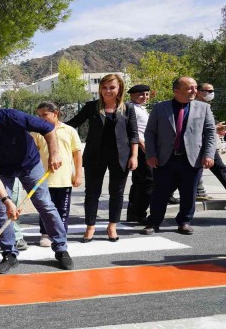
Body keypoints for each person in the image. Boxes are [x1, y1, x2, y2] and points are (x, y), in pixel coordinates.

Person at [0, 109, 74, 273]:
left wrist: (54, 154)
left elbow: (48, 128)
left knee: (44, 204)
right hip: (1, 172)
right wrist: (7, 200)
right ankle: (9, 254)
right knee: (1, 210)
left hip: (30, 164)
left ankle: (61, 248)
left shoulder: (10, 117)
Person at [66, 73, 139, 242]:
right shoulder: (91, 106)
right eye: (104, 87)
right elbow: (73, 124)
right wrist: (50, 126)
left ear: (119, 88)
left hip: (121, 156)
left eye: (112, 87)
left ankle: (112, 225)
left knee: (117, 192)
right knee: (92, 192)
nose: (107, 91)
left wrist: (134, 156)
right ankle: (90, 226)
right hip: (94, 155)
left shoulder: (128, 108)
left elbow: (133, 134)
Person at [141, 77, 216, 236]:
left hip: (192, 158)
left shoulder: (203, 108)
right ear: (176, 91)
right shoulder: (160, 108)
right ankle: (154, 222)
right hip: (165, 158)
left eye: (196, 87)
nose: (195, 91)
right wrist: (151, 154)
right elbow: (150, 133)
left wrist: (209, 154)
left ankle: (184, 221)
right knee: (160, 192)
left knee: (189, 192)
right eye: (190, 88)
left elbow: (210, 133)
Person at [32, 102, 83, 247]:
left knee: (62, 209)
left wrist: (78, 174)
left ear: (55, 113)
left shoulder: (69, 130)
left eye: (45, 115)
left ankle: (61, 233)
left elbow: (77, 153)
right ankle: (45, 233)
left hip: (64, 179)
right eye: (39, 115)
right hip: (43, 178)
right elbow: (32, 153)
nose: (41, 118)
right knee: (44, 207)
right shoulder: (37, 132)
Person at [125, 84, 154, 225]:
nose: (145, 97)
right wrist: (144, 148)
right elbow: (134, 131)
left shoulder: (140, 108)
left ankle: (133, 212)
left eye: (146, 94)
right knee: (148, 181)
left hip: (143, 149)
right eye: (141, 94)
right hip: (141, 150)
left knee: (139, 182)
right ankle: (139, 213)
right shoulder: (131, 108)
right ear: (132, 95)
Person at [195, 82, 226, 191]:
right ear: (198, 92)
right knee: (221, 169)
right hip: (199, 144)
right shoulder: (193, 106)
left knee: (220, 169)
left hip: (207, 144)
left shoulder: (206, 106)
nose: (211, 93)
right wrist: (215, 128)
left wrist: (217, 129)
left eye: (212, 91)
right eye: (208, 91)